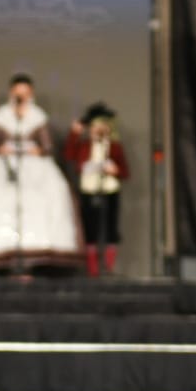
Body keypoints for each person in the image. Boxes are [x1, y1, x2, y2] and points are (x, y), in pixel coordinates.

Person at [0, 74, 81, 270]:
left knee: (38, 204)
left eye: (25, 93)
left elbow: (47, 147)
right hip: (5, 168)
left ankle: (35, 253)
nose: (21, 97)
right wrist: (1, 150)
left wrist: (35, 150)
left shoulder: (38, 117)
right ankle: (4, 254)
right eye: (17, 93)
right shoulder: (1, 117)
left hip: (34, 170)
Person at [63, 102, 131, 276]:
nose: (99, 130)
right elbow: (69, 155)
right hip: (89, 189)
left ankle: (108, 267)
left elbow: (125, 171)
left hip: (109, 190)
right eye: (95, 126)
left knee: (110, 229)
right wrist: (75, 133)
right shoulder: (85, 146)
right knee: (90, 229)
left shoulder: (114, 147)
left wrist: (115, 170)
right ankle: (92, 270)